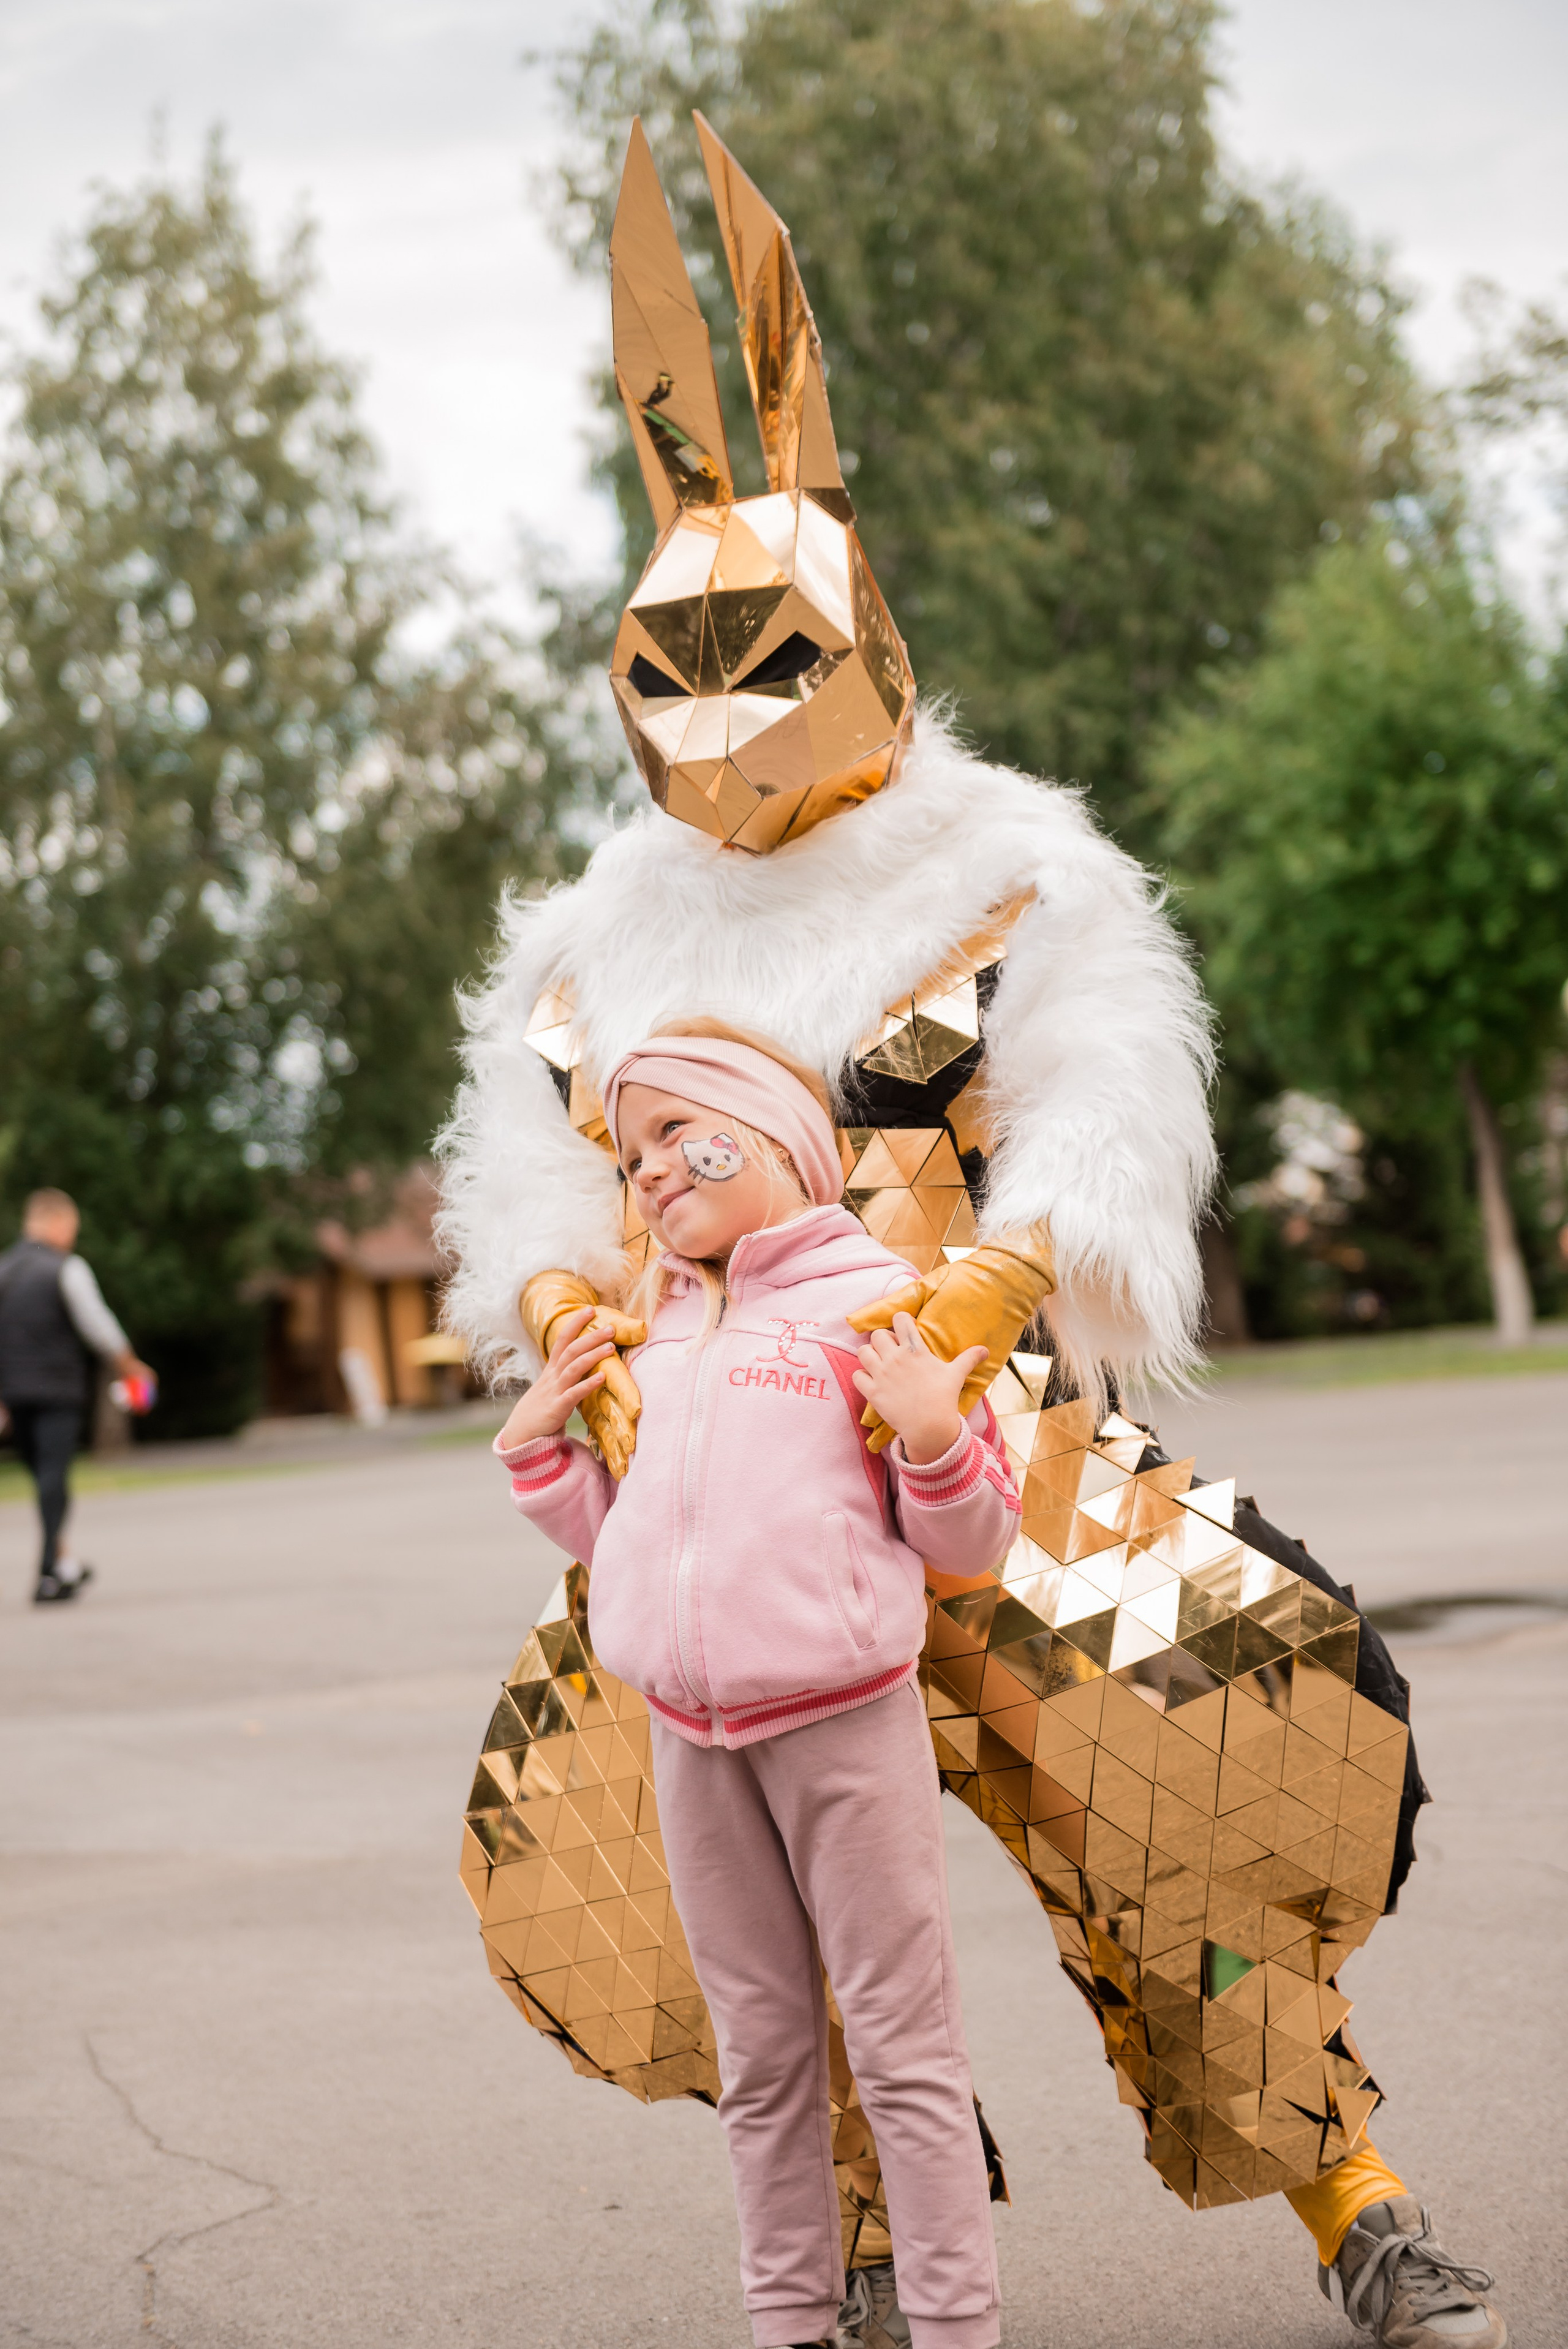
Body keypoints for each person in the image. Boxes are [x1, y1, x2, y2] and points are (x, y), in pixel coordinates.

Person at [443, 112, 1507, 2349]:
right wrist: (566, 1314)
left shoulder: (1002, 866)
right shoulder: (601, 934)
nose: (724, 703)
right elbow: (534, 1163)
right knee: (714, 1909)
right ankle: (837, 2248)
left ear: (859, 626)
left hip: (974, 1451)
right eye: (676, 658)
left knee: (1183, 1791)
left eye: (768, 644)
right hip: (711, 1491)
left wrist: (1010, 1273)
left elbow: (1109, 1077)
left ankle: (1354, 2194)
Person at [495, 1029, 1014, 2349]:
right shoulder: (655, 1329)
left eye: (677, 1131)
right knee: (764, 2065)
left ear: (772, 1133)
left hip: (846, 1735)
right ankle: (788, 2323)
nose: (652, 1171)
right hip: (692, 1747)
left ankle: (958, 2327)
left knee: (904, 2057)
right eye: (630, 1154)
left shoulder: (887, 1303)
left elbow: (967, 1540)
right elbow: (637, 1544)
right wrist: (538, 1453)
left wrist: (934, 1431)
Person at [0, 1188, 153, 1604]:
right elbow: (97, 1322)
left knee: (42, 1478)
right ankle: (50, 1569)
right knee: (54, 1477)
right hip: (56, 1389)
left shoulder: (4, 1269)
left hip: (13, 1393)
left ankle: (61, 1562)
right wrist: (130, 1365)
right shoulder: (66, 1268)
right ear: (58, 1222)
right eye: (73, 1228)